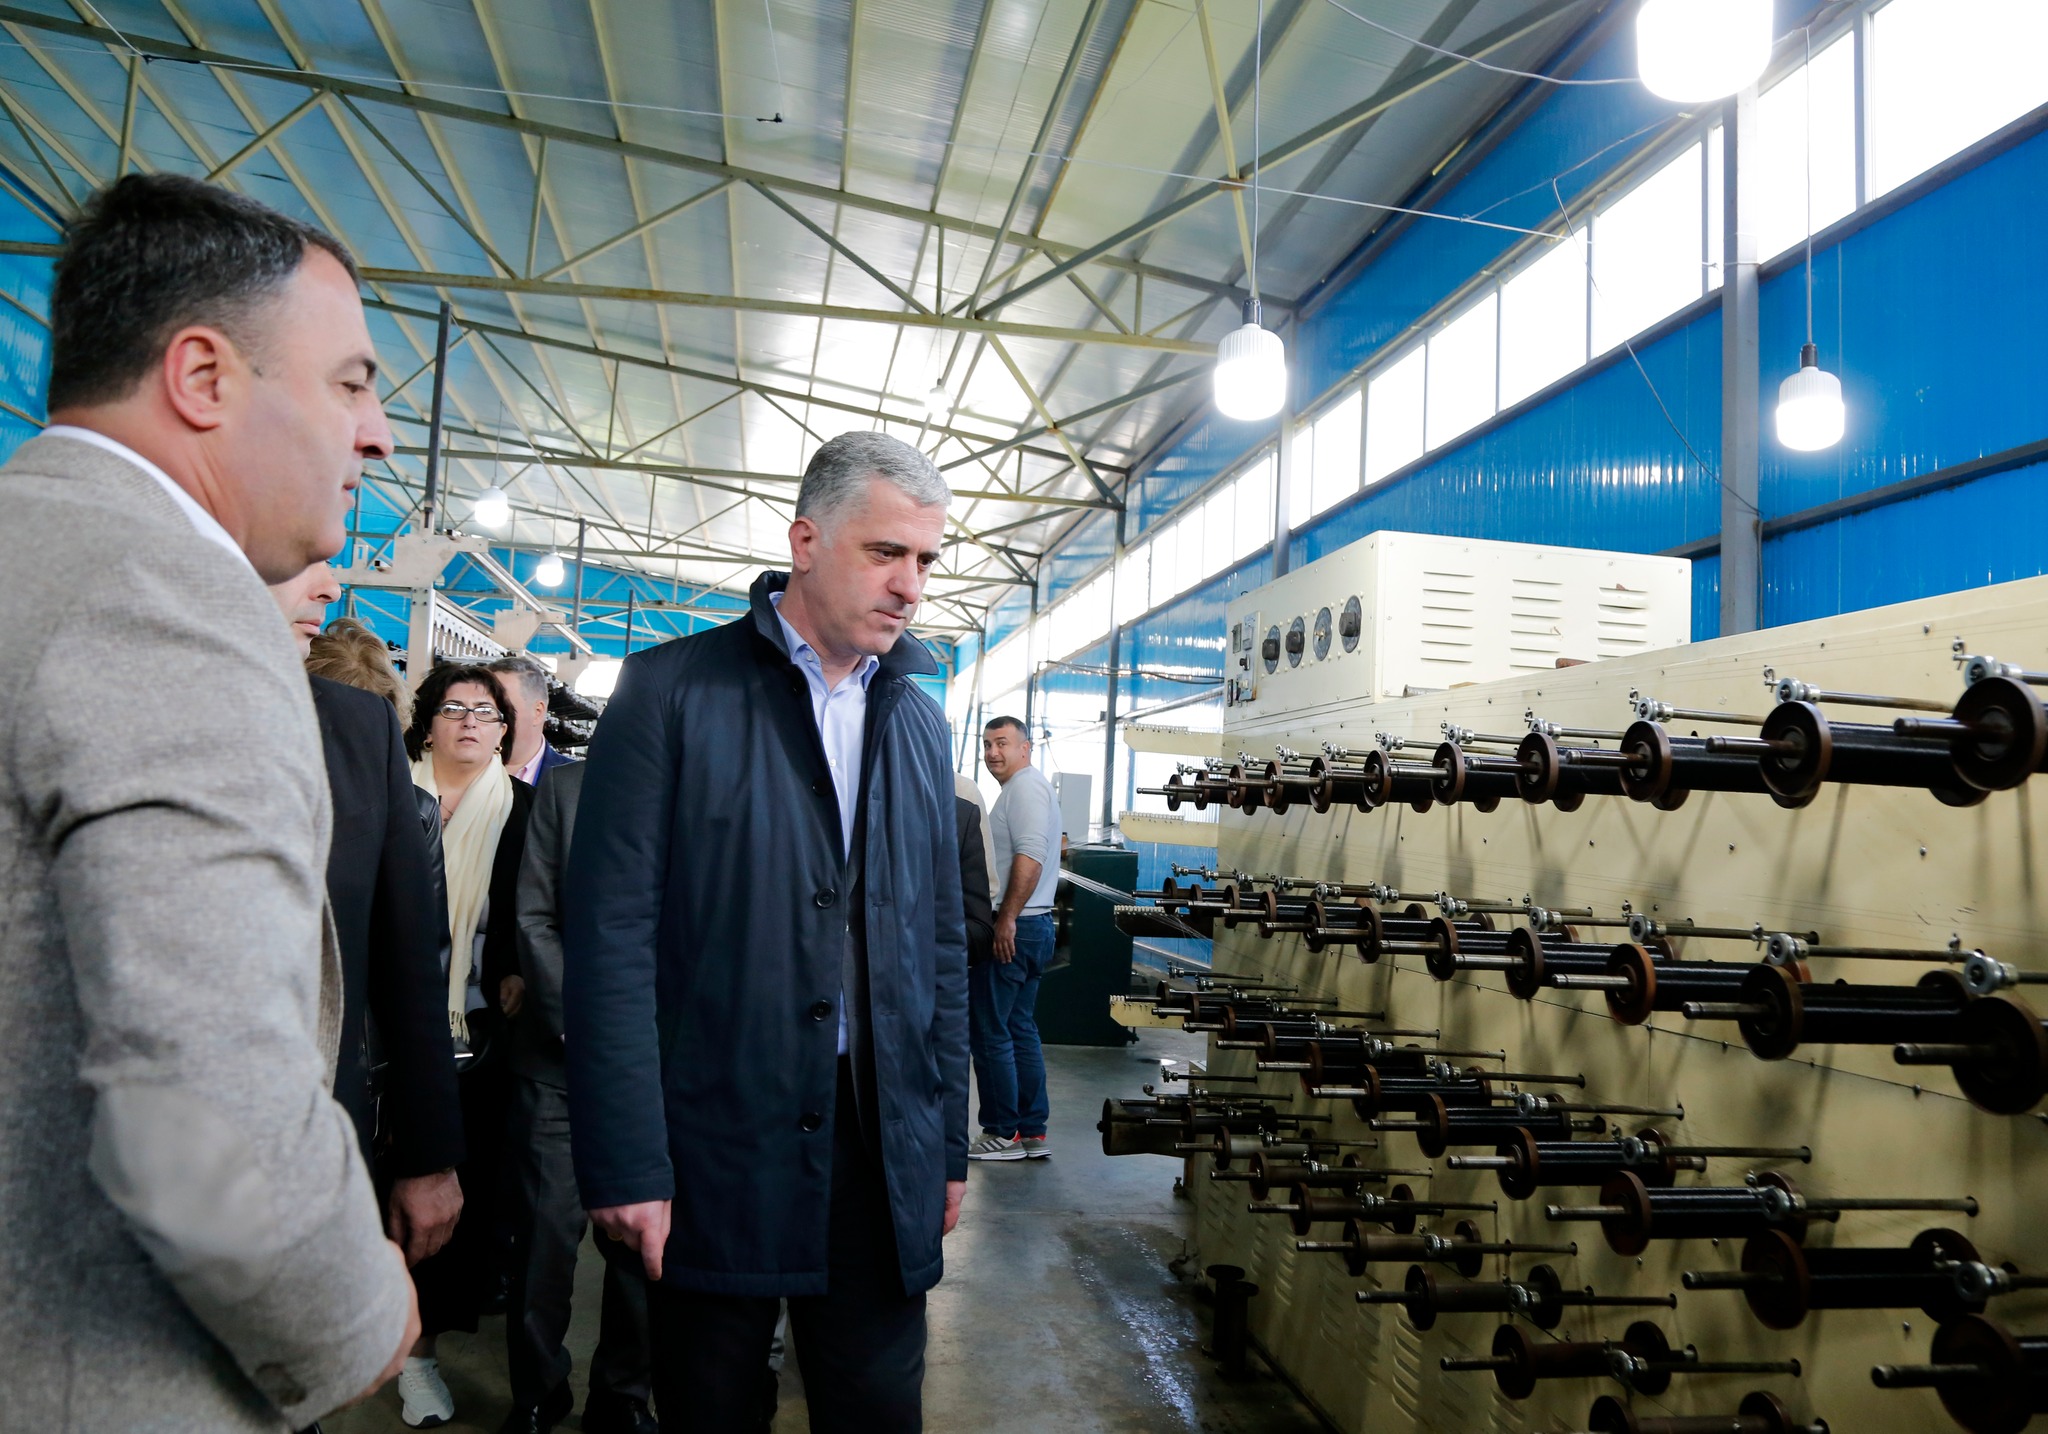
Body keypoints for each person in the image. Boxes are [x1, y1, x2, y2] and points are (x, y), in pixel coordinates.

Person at [0, 172, 416, 1428]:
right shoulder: (168, 601)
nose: (376, 433)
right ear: (201, 377)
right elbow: (197, 1105)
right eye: (350, 382)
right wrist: (352, 1313)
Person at [563, 430, 969, 1433]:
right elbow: (611, 942)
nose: (910, 586)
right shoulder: (669, 694)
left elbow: (938, 948)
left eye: (925, 560)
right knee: (710, 1404)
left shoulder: (918, 723)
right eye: (886, 553)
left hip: (877, 1143)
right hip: (715, 1139)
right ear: (806, 540)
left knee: (877, 1407)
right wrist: (627, 1161)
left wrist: (945, 1145)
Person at [270, 563, 466, 1271]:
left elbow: (408, 960)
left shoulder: (358, 727)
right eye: (302, 561)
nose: (329, 587)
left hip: (320, 1146)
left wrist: (428, 1154)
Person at [400, 663, 536, 1429]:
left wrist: (517, 969)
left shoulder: (524, 811)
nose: (470, 722)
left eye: (487, 712)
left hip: (473, 1038)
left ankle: (419, 1355)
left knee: (454, 1200)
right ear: (428, 723)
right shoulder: (391, 796)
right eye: (454, 708)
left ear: (504, 732)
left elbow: (534, 912)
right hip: (383, 1032)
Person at [504, 758, 658, 1434]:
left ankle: (621, 1398)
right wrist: (579, 1023)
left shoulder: (709, 788)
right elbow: (534, 914)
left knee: (640, 1249)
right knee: (542, 1242)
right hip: (560, 1060)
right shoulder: (566, 790)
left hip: (658, 1066)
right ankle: (538, 1395)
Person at [969, 716, 1063, 1162]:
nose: (993, 752)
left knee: (991, 1030)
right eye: (988, 744)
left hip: (1017, 927)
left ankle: (1002, 1131)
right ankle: (1031, 1131)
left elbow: (1031, 855)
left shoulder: (1025, 788)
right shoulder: (1023, 789)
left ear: (1025, 748)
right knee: (1019, 1028)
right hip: (1033, 924)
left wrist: (1006, 919)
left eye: (1003, 743)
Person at [490, 653, 574, 788]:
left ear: (537, 712)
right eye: (483, 708)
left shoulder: (575, 783)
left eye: (502, 707)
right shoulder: (459, 773)